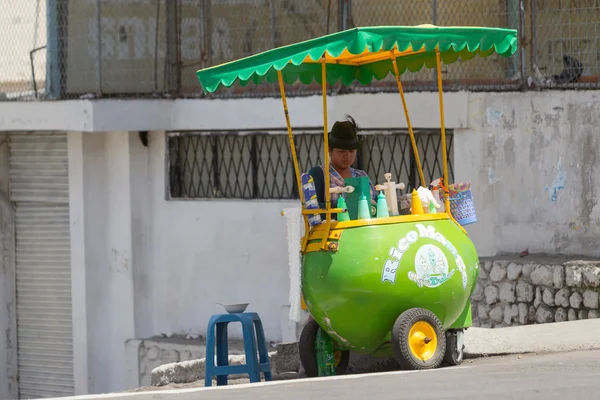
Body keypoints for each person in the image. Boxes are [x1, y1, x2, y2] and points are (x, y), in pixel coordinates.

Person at [307, 115, 377, 218]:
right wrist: (346, 208)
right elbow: (312, 208)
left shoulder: (361, 175)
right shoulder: (319, 174)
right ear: (329, 150)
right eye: (342, 151)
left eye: (351, 151)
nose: (347, 155)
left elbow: (377, 202)